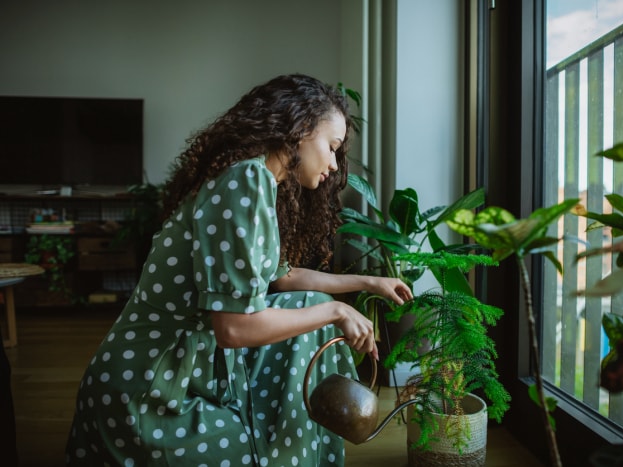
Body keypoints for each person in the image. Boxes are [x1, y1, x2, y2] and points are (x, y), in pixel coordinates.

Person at [65, 73, 412, 467]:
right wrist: (336, 311)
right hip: (145, 391)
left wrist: (369, 282)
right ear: (298, 129)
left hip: (170, 376)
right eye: (332, 147)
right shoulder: (245, 180)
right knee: (261, 449)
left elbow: (285, 277)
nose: (334, 163)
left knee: (312, 302)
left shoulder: (256, 182)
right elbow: (233, 329)